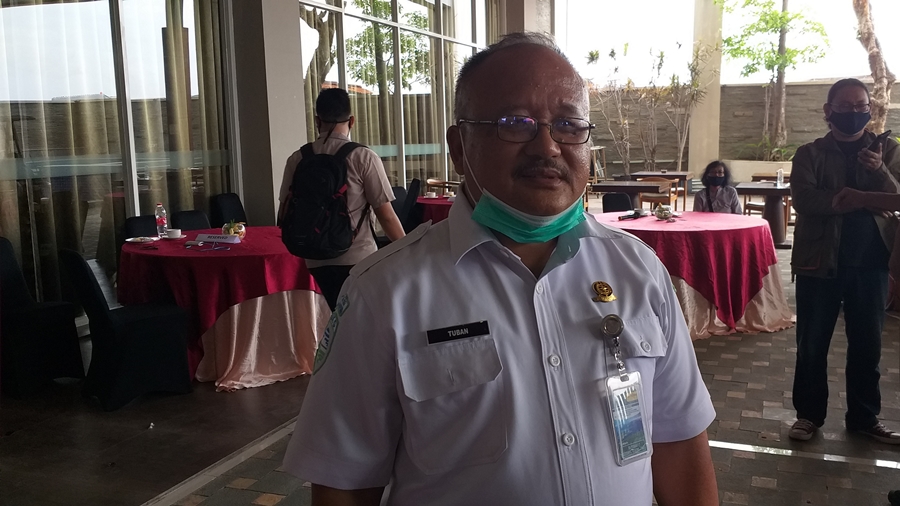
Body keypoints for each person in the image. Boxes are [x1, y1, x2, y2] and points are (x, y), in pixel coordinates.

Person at [282, 32, 718, 506]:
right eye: (515, 123)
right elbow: (344, 485)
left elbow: (679, 442)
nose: (547, 146)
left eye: (569, 124)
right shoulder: (384, 292)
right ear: (459, 146)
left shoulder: (639, 270)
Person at [788, 78, 900, 444]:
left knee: (868, 345)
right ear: (828, 110)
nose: (853, 113)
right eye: (845, 106)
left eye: (860, 106)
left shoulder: (888, 149)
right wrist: (858, 199)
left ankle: (864, 418)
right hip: (817, 261)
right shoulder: (810, 153)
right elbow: (805, 200)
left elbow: (898, 196)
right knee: (811, 344)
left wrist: (878, 172)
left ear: (869, 109)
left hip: (871, 263)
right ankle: (808, 416)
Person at [277, 88, 405, 310]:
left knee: (333, 320)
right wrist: (408, 250)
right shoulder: (363, 157)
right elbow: (386, 216)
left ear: (317, 121)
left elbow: (283, 214)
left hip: (313, 259)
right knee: (362, 321)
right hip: (358, 259)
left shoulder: (297, 159)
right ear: (352, 121)